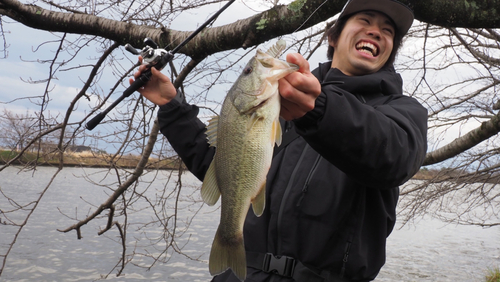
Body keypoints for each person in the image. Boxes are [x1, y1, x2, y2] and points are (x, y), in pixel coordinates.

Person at [130, 0, 428, 281]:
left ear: (390, 50)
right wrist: (172, 107)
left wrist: (318, 109)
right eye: (365, 20)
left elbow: (393, 156)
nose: (376, 31)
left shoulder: (402, 113)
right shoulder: (283, 99)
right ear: (333, 37)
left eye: (388, 31)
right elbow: (225, 164)